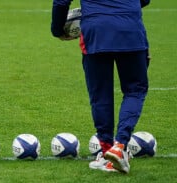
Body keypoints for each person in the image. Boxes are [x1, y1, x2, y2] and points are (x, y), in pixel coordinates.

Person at [51, 0, 151, 173]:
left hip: (96, 31)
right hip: (131, 29)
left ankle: (107, 154)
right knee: (135, 89)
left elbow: (61, 2)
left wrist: (57, 30)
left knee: (100, 94)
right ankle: (119, 146)